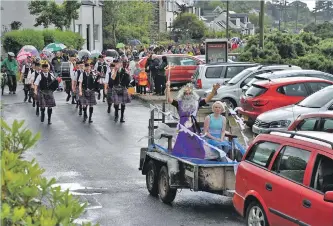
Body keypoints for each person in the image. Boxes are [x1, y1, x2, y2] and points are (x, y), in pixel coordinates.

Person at [166, 81, 220, 159]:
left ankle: (196, 157)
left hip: (193, 127)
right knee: (182, 142)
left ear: (192, 94)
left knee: (195, 142)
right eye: (186, 93)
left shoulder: (196, 103)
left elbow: (208, 99)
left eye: (189, 93)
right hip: (182, 127)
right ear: (183, 94)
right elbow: (169, 99)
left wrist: (213, 90)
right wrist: (168, 88)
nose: (187, 95)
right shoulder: (179, 103)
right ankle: (181, 157)